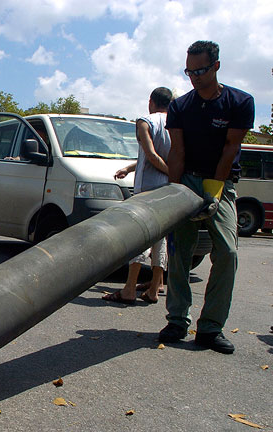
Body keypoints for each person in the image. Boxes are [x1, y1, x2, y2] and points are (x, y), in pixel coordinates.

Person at [158, 40, 254, 354]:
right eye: (189, 71)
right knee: (180, 252)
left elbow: (231, 148)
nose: (194, 76)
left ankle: (211, 328)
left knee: (227, 252)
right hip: (186, 180)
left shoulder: (240, 102)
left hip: (222, 182)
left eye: (200, 70)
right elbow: (178, 151)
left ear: (216, 66)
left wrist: (213, 193)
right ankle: (177, 320)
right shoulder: (180, 105)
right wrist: (173, 196)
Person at [103, 87, 173, 305]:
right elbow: (152, 157)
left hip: (147, 190)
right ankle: (154, 288)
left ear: (151, 101)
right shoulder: (175, 124)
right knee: (160, 237)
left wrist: (170, 172)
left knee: (139, 235)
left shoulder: (144, 121)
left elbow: (151, 155)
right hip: (167, 190)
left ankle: (129, 288)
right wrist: (130, 168)